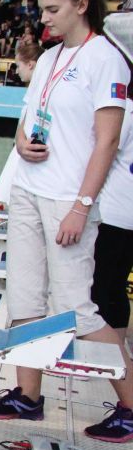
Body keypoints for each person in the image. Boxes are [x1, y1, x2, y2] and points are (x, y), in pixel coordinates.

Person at [0, 0, 133, 443]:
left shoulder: (105, 59)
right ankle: (28, 396)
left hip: (68, 198)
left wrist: (82, 205)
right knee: (24, 299)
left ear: (82, 5)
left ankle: (131, 406)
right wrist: (21, 143)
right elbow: (27, 119)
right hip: (27, 190)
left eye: (52, 10)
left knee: (77, 309)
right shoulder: (47, 59)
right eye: (42, 9)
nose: (43, 18)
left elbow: (107, 142)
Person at [91, 97, 133, 357]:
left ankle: (102, 357)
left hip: (112, 215)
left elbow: (105, 149)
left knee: (97, 289)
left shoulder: (125, 111)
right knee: (116, 287)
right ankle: (116, 358)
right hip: (128, 217)